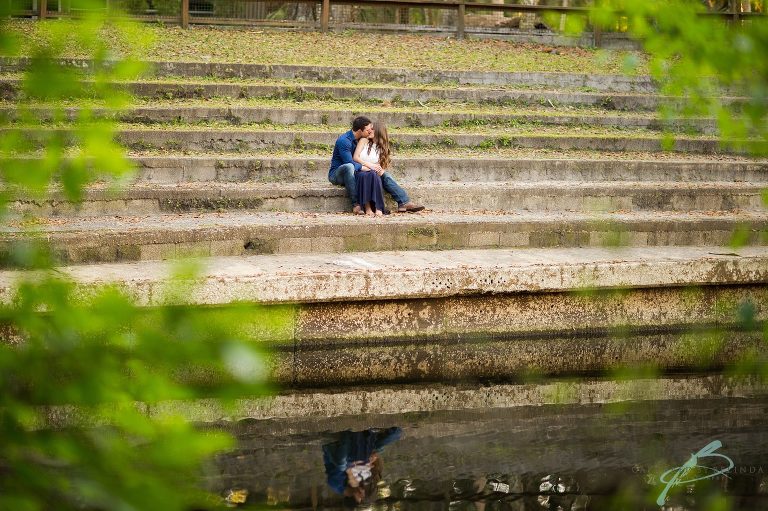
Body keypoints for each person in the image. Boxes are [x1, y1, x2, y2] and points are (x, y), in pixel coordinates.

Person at [329, 117, 424, 215]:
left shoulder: (364, 141)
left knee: (383, 175)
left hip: (359, 171)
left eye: (371, 129)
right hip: (339, 174)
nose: (369, 131)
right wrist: (367, 166)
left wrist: (377, 169)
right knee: (351, 168)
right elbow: (351, 161)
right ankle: (356, 205)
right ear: (360, 130)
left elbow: (376, 162)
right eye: (368, 129)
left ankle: (403, 202)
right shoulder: (344, 141)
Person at [322, 427, 403, 506]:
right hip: (358, 451)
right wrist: (371, 459)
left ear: (350, 496)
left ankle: (347, 432)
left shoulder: (335, 485)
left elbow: (345, 468)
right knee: (396, 434)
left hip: (335, 451)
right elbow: (372, 465)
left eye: (359, 496)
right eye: (362, 495)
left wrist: (354, 466)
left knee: (341, 465)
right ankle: (393, 430)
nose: (362, 492)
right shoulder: (361, 482)